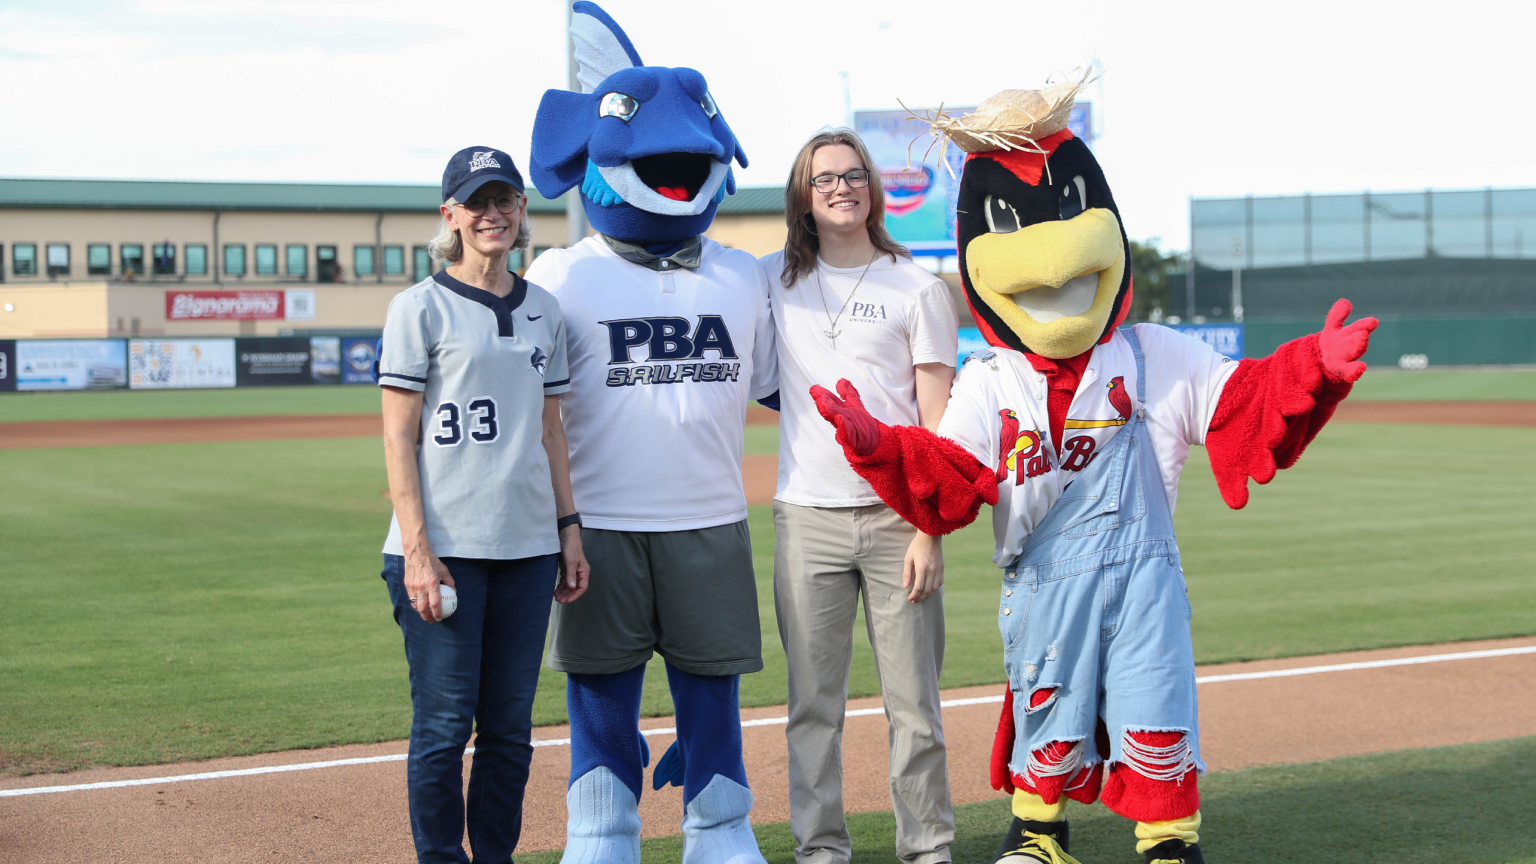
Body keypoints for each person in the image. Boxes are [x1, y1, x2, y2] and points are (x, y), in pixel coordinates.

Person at [525, 6, 776, 864]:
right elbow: (529, 406)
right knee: (600, 691)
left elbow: (783, 384)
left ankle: (722, 829)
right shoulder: (559, 275)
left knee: (713, 690)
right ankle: (600, 833)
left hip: (709, 519)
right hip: (598, 524)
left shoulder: (743, 276)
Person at [377, 145, 590, 864]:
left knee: (509, 730)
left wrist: (569, 531)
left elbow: (551, 430)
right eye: (477, 202)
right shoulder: (419, 307)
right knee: (442, 727)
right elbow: (397, 439)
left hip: (528, 548)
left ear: (522, 210)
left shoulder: (545, 310)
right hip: (444, 550)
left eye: (505, 200)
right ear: (451, 216)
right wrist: (416, 549)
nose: (493, 214)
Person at [759, 129, 960, 864]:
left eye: (853, 176)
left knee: (914, 706)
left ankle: (928, 848)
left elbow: (938, 423)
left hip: (897, 522)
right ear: (803, 200)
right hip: (806, 516)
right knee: (813, 705)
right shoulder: (771, 281)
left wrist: (928, 529)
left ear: (872, 188)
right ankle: (821, 850)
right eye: (824, 181)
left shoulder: (918, 287)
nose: (841, 188)